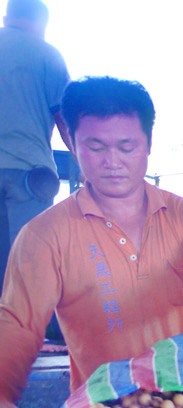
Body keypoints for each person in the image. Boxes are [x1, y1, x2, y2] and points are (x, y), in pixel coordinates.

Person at [0, 76, 183, 408]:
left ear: (149, 143)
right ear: (72, 143)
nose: (112, 162)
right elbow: (18, 322)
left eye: (126, 146)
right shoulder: (44, 236)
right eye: (95, 146)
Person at [0, 0, 72, 283]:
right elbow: (65, 119)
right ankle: (32, 327)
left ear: (7, 17)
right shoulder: (47, 55)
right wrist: (85, 160)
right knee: (30, 265)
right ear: (42, 23)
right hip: (29, 174)